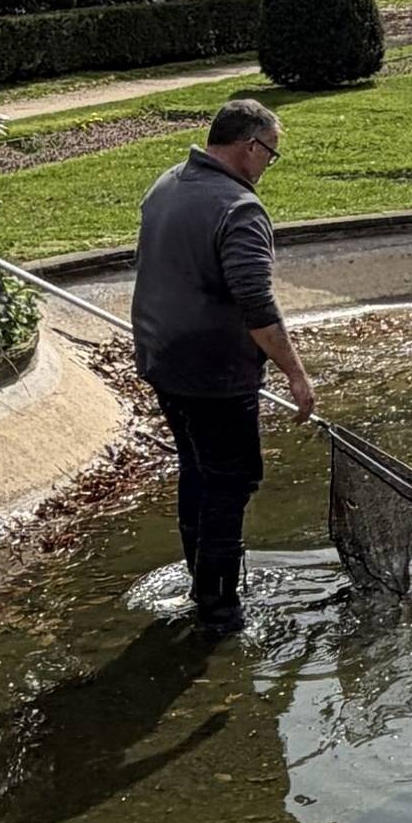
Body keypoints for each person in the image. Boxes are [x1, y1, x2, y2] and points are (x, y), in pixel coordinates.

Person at [131, 98, 316, 634]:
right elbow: (257, 306)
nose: (267, 168)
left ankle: (201, 583)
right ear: (249, 146)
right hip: (215, 374)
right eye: (270, 156)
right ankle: (219, 607)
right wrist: (296, 374)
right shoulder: (240, 209)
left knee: (197, 469)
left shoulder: (165, 184)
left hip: (163, 360)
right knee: (231, 482)